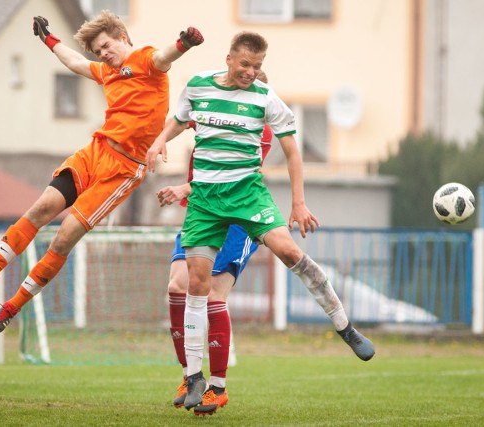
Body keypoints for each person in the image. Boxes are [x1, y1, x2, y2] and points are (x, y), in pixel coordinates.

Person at [146, 31, 374, 413]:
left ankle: (344, 326)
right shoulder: (199, 86)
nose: (251, 72)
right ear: (229, 59)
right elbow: (179, 119)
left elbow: (293, 151)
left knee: (288, 251)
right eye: (246, 64)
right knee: (192, 285)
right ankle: (197, 378)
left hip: (247, 198)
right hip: (204, 202)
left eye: (258, 66)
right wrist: (158, 142)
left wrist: (298, 203)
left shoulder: (265, 102)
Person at [0, 11, 203, 334]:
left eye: (105, 46)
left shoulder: (146, 60)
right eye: (98, 51)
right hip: (95, 151)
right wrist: (48, 40)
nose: (102, 54)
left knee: (64, 236)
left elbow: (164, 56)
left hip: (124, 169)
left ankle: (9, 309)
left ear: (122, 37)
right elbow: (75, 63)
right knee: (42, 207)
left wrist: (183, 43)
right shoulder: (107, 71)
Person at [160, 73, 272, 416]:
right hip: (201, 214)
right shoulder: (214, 109)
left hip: (236, 219)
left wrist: (183, 188)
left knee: (210, 296)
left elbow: (226, 180)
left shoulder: (258, 131)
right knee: (177, 288)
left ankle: (218, 387)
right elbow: (181, 116)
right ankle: (189, 376)